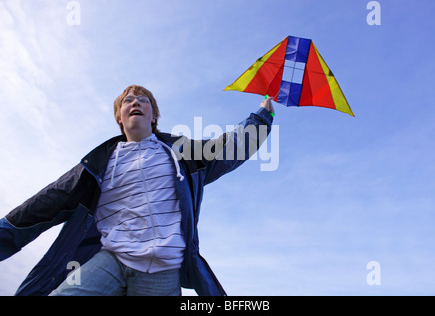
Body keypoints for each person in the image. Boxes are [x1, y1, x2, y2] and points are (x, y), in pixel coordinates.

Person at [0, 85, 274, 296]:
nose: (135, 102)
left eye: (143, 99)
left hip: (163, 267)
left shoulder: (183, 153)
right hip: (110, 260)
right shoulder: (99, 163)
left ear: (154, 115)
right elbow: (44, 204)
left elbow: (232, 147)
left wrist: (263, 114)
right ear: (119, 117)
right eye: (128, 100)